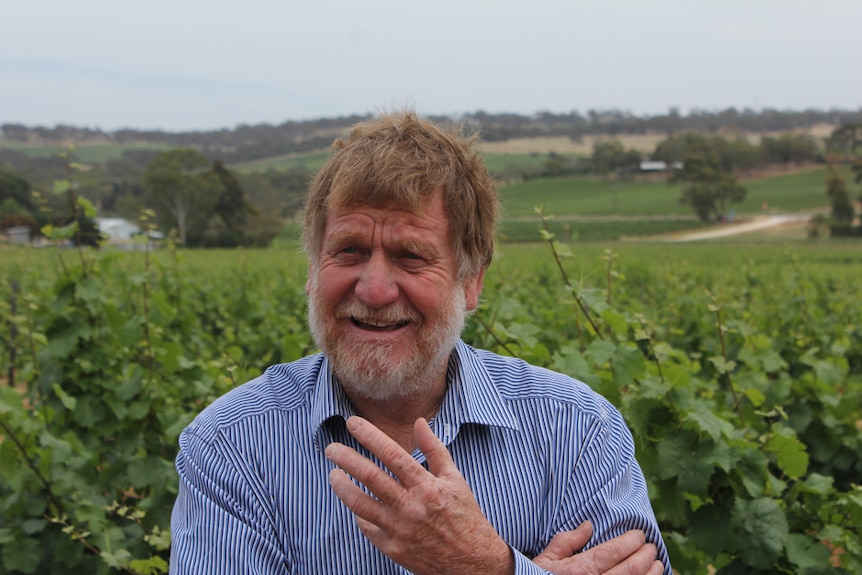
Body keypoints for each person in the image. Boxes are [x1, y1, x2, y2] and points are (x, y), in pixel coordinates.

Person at [169, 111, 671, 575]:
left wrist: (483, 564)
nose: (375, 289)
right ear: (311, 270)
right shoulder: (232, 445)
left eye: (411, 256)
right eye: (349, 251)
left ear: (471, 281)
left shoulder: (578, 430)